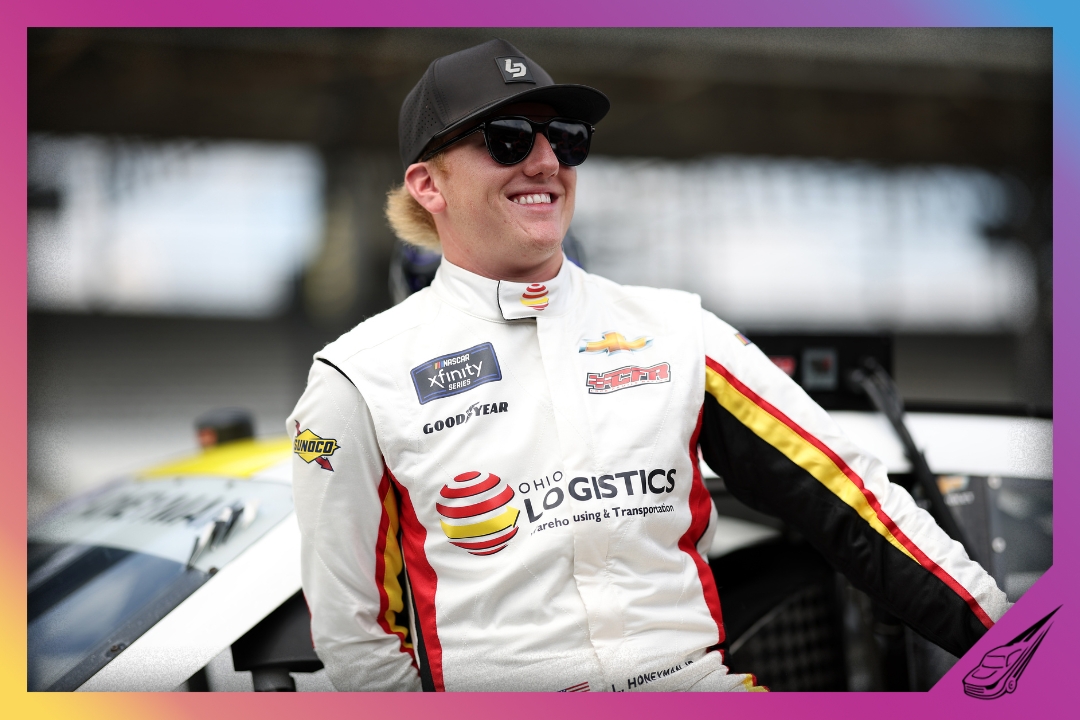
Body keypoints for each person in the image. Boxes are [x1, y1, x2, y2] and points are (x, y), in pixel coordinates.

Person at [288, 39, 1008, 692]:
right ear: (427, 186)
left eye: (566, 140)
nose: (545, 162)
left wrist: (1023, 654)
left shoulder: (677, 331)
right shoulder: (355, 379)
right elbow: (356, 638)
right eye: (506, 140)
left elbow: (857, 504)